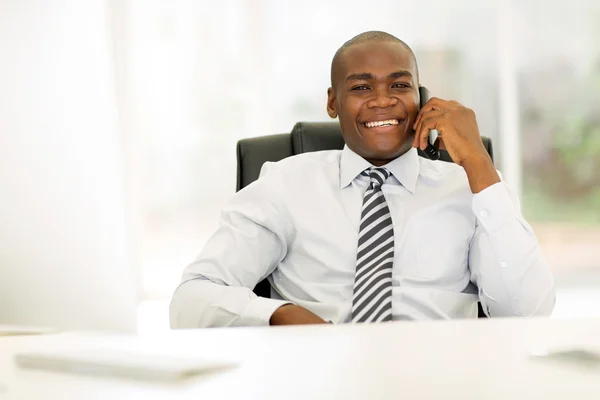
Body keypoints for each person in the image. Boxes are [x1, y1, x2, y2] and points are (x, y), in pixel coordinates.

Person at [169, 31, 555, 328]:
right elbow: (191, 300)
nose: (383, 100)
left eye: (400, 85)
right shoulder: (285, 184)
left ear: (421, 98)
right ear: (332, 101)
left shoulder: (470, 187)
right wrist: (279, 315)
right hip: (320, 372)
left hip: (441, 374)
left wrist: (480, 166)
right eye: (361, 87)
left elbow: (527, 313)